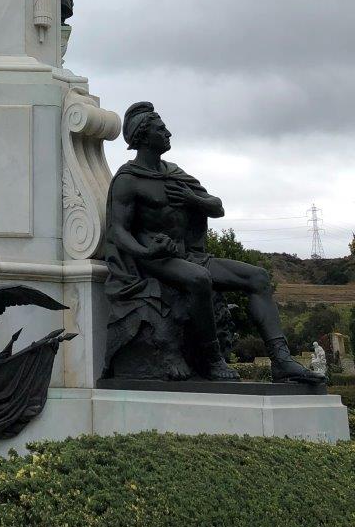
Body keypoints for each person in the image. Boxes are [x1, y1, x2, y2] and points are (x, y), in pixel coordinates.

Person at [103, 102, 324, 383]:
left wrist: (193, 200)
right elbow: (117, 231)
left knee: (258, 277)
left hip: (189, 256)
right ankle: (212, 359)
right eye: (161, 129)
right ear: (144, 136)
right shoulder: (128, 180)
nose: (168, 132)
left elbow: (217, 206)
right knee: (199, 279)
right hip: (154, 259)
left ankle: (281, 360)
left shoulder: (174, 173)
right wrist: (147, 250)